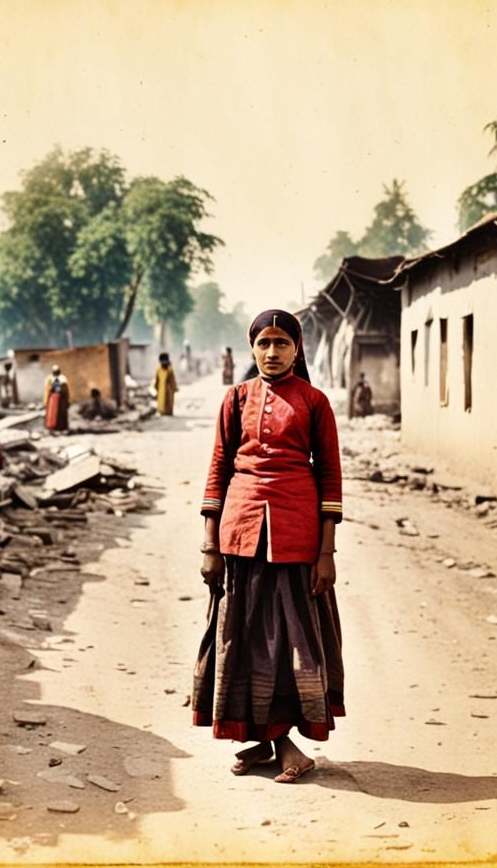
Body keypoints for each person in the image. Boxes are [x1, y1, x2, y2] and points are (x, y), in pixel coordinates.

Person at [192, 308, 345, 784]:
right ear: (252, 348)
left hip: (297, 542)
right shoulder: (235, 399)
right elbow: (219, 468)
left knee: (289, 644)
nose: (272, 352)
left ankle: (286, 745)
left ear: (297, 349)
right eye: (264, 343)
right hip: (239, 535)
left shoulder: (314, 403)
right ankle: (269, 742)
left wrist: (326, 552)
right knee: (244, 639)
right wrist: (209, 544)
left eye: (282, 343)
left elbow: (330, 477)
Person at [44, 365, 70, 433]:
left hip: (60, 399)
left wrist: (54, 390)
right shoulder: (52, 379)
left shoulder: (62, 379)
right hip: (56, 399)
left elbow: (60, 389)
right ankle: (56, 428)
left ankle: (61, 428)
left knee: (61, 414)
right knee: (55, 414)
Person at [153, 352, 178, 416]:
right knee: (161, 401)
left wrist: (174, 387)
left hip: (169, 389)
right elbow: (156, 380)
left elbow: (173, 380)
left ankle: (168, 412)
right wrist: (155, 387)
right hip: (161, 389)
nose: (164, 363)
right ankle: (162, 411)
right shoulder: (158, 369)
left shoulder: (170, 370)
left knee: (169, 402)